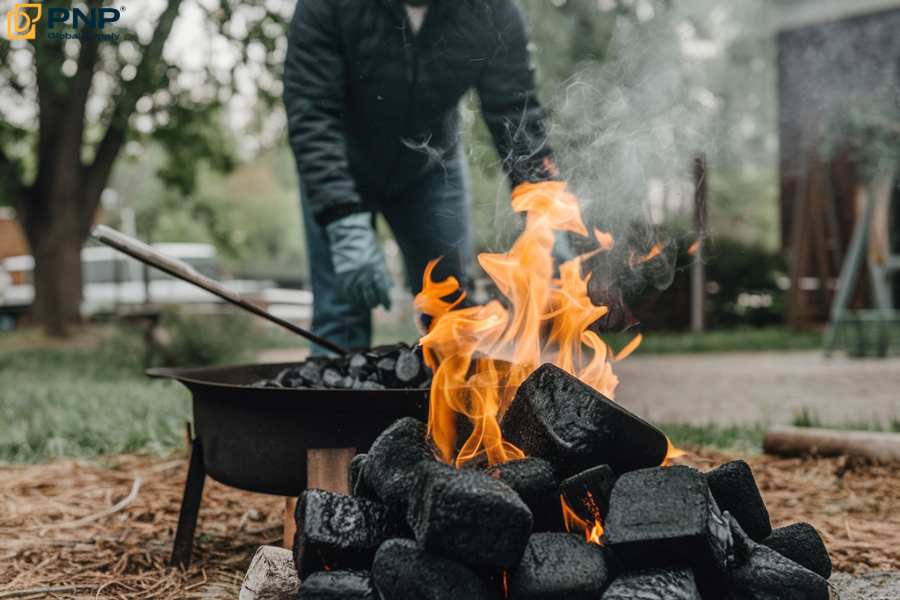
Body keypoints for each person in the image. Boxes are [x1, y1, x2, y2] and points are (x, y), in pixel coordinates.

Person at [284, 0, 569, 352]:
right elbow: (311, 112)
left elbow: (516, 113)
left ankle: (447, 403)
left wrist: (544, 211)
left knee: (450, 307)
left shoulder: (491, 10)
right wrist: (342, 218)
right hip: (339, 166)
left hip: (431, 169)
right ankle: (330, 403)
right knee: (341, 311)